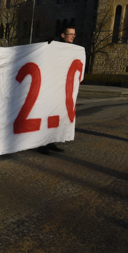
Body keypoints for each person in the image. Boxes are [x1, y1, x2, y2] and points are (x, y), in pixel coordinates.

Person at [36, 24, 76, 155]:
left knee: (56, 117)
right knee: (46, 115)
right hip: (50, 87)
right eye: (70, 34)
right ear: (63, 35)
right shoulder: (53, 47)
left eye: (74, 34)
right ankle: (41, 143)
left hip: (61, 90)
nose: (73, 36)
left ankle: (50, 141)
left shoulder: (73, 50)